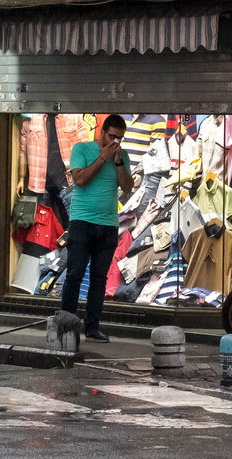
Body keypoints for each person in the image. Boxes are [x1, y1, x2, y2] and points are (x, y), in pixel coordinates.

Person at [60, 114, 134, 343]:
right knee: (74, 274)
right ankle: (67, 327)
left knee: (99, 278)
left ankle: (92, 327)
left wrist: (119, 162)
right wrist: (102, 158)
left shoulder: (123, 155)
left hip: (109, 224)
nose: (116, 142)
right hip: (82, 222)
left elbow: (127, 187)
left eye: (120, 138)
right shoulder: (81, 150)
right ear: (102, 132)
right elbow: (80, 180)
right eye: (112, 136)